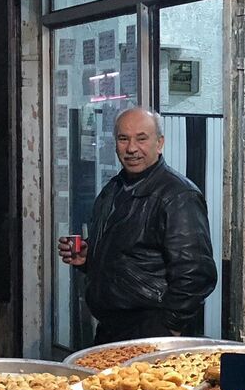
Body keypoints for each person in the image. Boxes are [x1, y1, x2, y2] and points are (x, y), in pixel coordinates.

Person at [58, 107, 217, 344]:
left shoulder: (178, 196)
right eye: (124, 139)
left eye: (141, 139)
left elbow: (195, 274)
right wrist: (91, 257)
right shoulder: (114, 188)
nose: (131, 148)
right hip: (112, 330)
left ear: (159, 143)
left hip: (151, 333)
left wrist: (168, 329)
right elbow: (134, 254)